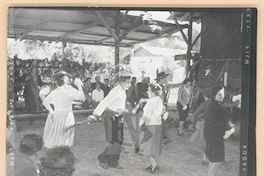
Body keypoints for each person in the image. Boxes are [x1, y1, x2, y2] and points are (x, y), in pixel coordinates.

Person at [88, 71, 131, 170]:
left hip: (119, 117)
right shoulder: (116, 90)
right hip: (111, 117)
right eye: (128, 82)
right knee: (113, 141)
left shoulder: (122, 89)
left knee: (119, 141)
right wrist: (96, 114)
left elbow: (118, 104)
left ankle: (113, 162)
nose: (129, 85)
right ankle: (102, 158)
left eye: (130, 83)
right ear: (122, 82)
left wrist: (122, 109)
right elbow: (104, 102)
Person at [42, 71, 85, 149]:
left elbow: (45, 102)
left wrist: (51, 111)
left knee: (57, 132)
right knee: (66, 134)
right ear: (65, 82)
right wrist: (80, 86)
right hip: (67, 116)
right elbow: (81, 97)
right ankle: (64, 148)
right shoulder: (68, 93)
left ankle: (58, 148)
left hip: (57, 115)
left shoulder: (54, 92)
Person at [204, 86, 234, 176]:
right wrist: (228, 129)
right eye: (219, 94)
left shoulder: (214, 105)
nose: (222, 96)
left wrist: (228, 123)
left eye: (223, 94)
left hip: (211, 134)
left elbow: (222, 117)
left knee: (213, 159)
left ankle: (210, 174)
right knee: (217, 159)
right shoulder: (216, 107)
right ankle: (210, 174)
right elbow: (217, 121)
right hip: (214, 135)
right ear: (214, 95)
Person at [138, 82, 166, 173]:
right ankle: (151, 163)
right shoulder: (159, 99)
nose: (148, 92)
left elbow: (145, 115)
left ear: (153, 92)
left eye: (149, 90)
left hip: (151, 125)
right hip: (158, 125)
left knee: (146, 146)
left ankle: (154, 164)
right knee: (153, 146)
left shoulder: (151, 101)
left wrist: (140, 124)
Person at [189, 88, 211, 165]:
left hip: (204, 123)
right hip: (213, 124)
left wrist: (192, 121)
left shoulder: (204, 104)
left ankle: (204, 158)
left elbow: (195, 114)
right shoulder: (216, 103)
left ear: (204, 96)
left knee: (203, 140)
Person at [154, 71, 171, 145]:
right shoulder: (157, 88)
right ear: (161, 79)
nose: (166, 79)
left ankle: (164, 138)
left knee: (161, 124)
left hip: (161, 109)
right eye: (165, 78)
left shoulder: (161, 87)